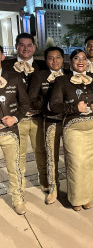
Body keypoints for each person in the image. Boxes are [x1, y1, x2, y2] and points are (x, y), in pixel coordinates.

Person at [49, 49, 93, 211]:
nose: (81, 61)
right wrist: (73, 107)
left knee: (91, 164)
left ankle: (88, 195)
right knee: (76, 163)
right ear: (70, 62)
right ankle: (77, 197)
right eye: (76, 58)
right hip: (74, 128)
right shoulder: (62, 80)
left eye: (84, 58)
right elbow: (54, 105)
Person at [2, 33, 48, 193]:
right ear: (16, 47)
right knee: (18, 154)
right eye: (22, 45)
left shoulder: (43, 66)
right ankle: (20, 184)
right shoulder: (6, 66)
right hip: (16, 120)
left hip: (38, 119)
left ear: (34, 48)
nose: (26, 48)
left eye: (29, 45)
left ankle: (44, 181)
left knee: (41, 152)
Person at [28, 47, 71, 205]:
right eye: (51, 58)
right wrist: (47, 104)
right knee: (51, 157)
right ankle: (53, 188)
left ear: (63, 59)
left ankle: (73, 187)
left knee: (72, 157)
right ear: (46, 60)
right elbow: (31, 99)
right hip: (51, 122)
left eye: (58, 57)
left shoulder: (69, 74)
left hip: (69, 123)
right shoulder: (39, 76)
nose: (55, 61)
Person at [0, 45, 29, 215]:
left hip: (10, 131)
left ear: (3, 57)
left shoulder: (14, 77)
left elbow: (24, 104)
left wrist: (15, 118)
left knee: (14, 167)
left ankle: (17, 199)